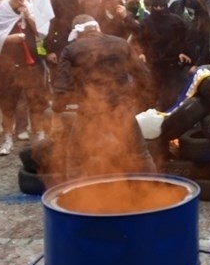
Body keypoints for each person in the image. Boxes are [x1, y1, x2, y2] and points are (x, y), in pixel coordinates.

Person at [51, 14, 156, 177]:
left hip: (89, 112)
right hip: (121, 109)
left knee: (76, 160)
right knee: (140, 154)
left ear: (77, 33)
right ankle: (153, 191)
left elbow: (62, 86)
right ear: (97, 28)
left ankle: (73, 197)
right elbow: (144, 75)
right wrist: (133, 96)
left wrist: (58, 107)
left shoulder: (71, 49)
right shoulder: (120, 43)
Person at [0, 0, 48, 156]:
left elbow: (40, 32)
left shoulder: (29, 9)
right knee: (7, 103)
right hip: (7, 65)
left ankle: (40, 136)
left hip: (31, 64)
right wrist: (11, 38)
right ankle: (7, 138)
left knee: (36, 101)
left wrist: (28, 16)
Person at [136, 0, 191, 111]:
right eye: (156, 7)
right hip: (153, 65)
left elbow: (185, 39)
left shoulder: (176, 21)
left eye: (162, 6)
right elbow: (140, 41)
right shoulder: (146, 23)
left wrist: (183, 52)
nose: (159, 9)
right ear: (151, 7)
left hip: (173, 65)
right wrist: (141, 53)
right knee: (152, 95)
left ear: (166, 5)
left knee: (170, 97)